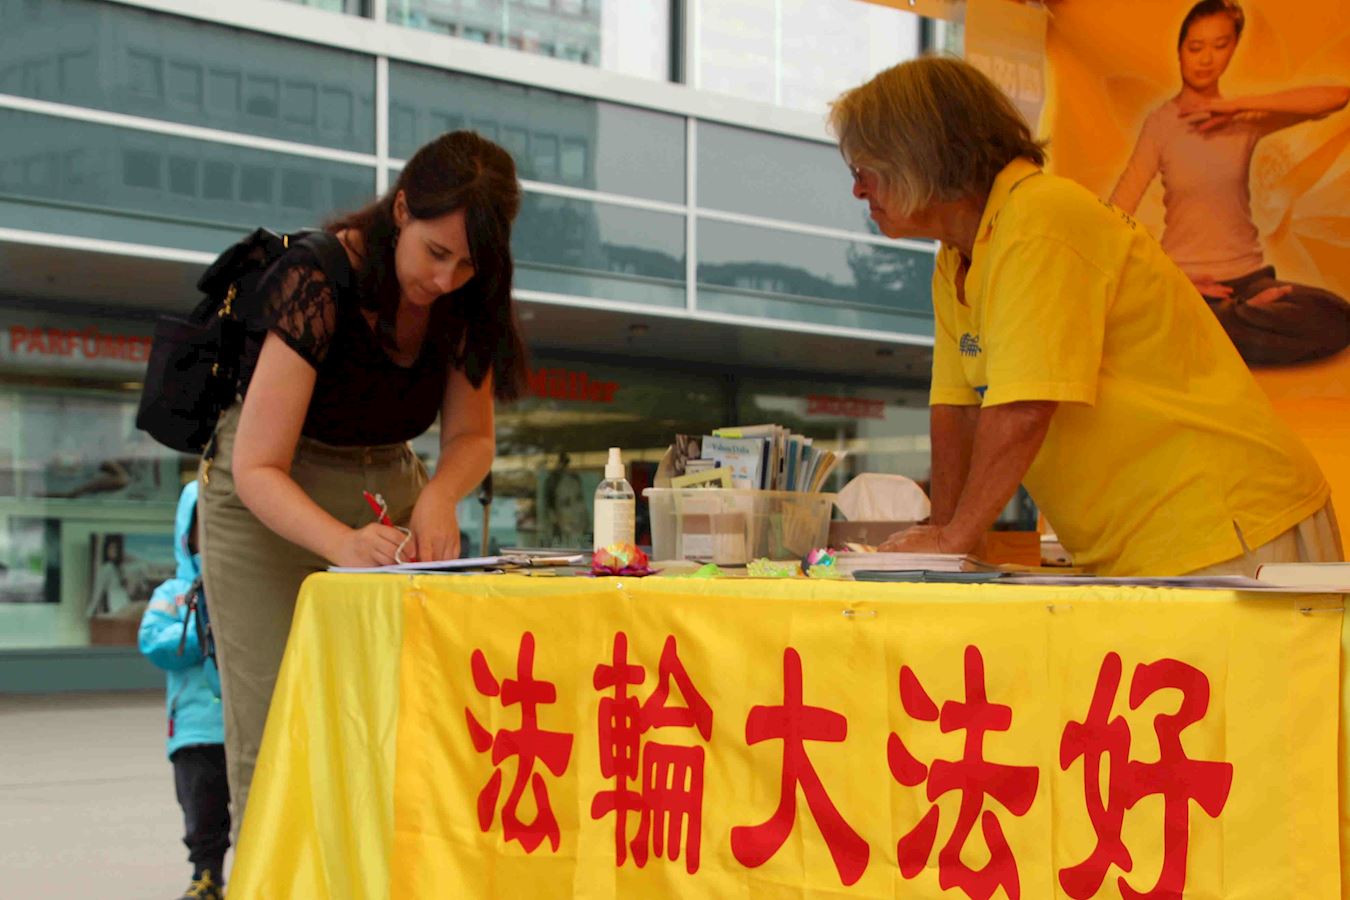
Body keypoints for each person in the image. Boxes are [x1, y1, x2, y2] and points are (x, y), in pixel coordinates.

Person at [829, 56, 1342, 577]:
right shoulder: (956, 257)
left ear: (918, 156)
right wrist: (943, 541)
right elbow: (956, 409)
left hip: (1229, 525)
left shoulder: (1038, 216)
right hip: (1155, 541)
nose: (858, 190)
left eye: (863, 171)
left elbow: (1024, 407)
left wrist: (953, 538)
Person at [197, 130, 529, 832]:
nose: (445, 280)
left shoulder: (467, 298)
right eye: (435, 253)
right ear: (401, 209)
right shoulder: (317, 276)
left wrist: (438, 496)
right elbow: (256, 466)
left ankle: (377, 874)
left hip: (387, 488)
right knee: (277, 724)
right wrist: (342, 545)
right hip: (270, 500)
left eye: (467, 264)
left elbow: (472, 437)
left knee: (398, 715)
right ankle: (270, 875)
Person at [1109, 0, 1350, 365]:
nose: (1206, 59)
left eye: (1220, 46)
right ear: (1180, 50)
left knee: (1336, 316)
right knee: (1139, 317)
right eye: (1196, 47)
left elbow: (1337, 98)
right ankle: (1224, 320)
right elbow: (1116, 213)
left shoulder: (1244, 119)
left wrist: (1236, 106)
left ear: (1233, 48)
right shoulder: (1161, 124)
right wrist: (1169, 279)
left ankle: (1222, 323)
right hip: (1186, 281)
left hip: (1250, 279)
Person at [138, 481, 230, 900]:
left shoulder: (249, 588)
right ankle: (206, 874)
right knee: (201, 808)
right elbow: (155, 644)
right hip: (195, 729)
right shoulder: (173, 593)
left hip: (249, 724)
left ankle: (262, 872)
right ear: (185, 533)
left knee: (259, 805)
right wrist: (206, 630)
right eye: (202, 525)